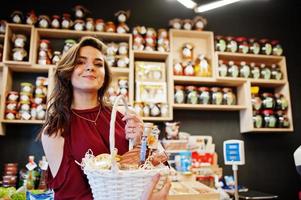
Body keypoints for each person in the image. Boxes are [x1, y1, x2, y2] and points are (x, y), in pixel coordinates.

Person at [40, 36, 170, 200]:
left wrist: (141, 143)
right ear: (67, 72)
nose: (90, 68)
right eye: (80, 62)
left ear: (105, 76)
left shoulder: (125, 114)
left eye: (98, 64)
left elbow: (159, 167)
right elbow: (71, 195)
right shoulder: (56, 131)